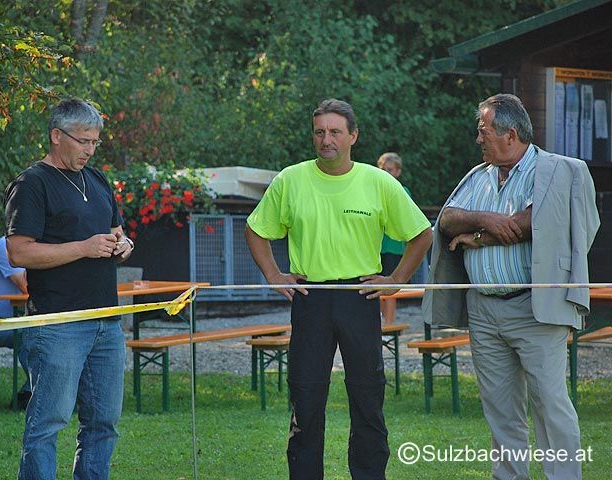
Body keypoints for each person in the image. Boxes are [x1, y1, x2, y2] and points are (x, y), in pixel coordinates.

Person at [245, 98, 432, 479]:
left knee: (367, 397)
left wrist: (397, 280)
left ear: (353, 136)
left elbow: (421, 234)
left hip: (358, 297)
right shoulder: (290, 180)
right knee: (306, 398)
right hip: (310, 298)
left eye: (334, 132)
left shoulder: (378, 182)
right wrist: (274, 274)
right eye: (319, 132)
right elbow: (255, 230)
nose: (326, 140)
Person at [422, 93, 600, 479]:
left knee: (550, 405)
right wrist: (485, 219)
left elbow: (539, 221)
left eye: (483, 131)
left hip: (536, 308)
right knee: (500, 411)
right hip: (484, 311)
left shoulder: (561, 171)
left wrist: (478, 237)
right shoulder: (478, 176)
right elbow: (447, 221)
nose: (478, 139)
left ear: (510, 134)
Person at [4, 98, 134, 480]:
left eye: (95, 142)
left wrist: (123, 246)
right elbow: (18, 252)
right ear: (57, 136)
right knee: (48, 423)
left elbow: (117, 234)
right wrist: (84, 248)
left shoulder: (98, 180)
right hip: (57, 324)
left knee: (104, 423)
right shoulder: (31, 184)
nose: (90, 150)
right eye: (83, 141)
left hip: (106, 321)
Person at [376, 153, 410, 324]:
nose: (385, 172)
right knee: (376, 287)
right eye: (382, 169)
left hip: (393, 247)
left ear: (397, 172)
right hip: (376, 247)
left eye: (389, 170)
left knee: (388, 287)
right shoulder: (375, 190)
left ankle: (389, 326)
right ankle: (382, 323)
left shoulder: (402, 191)